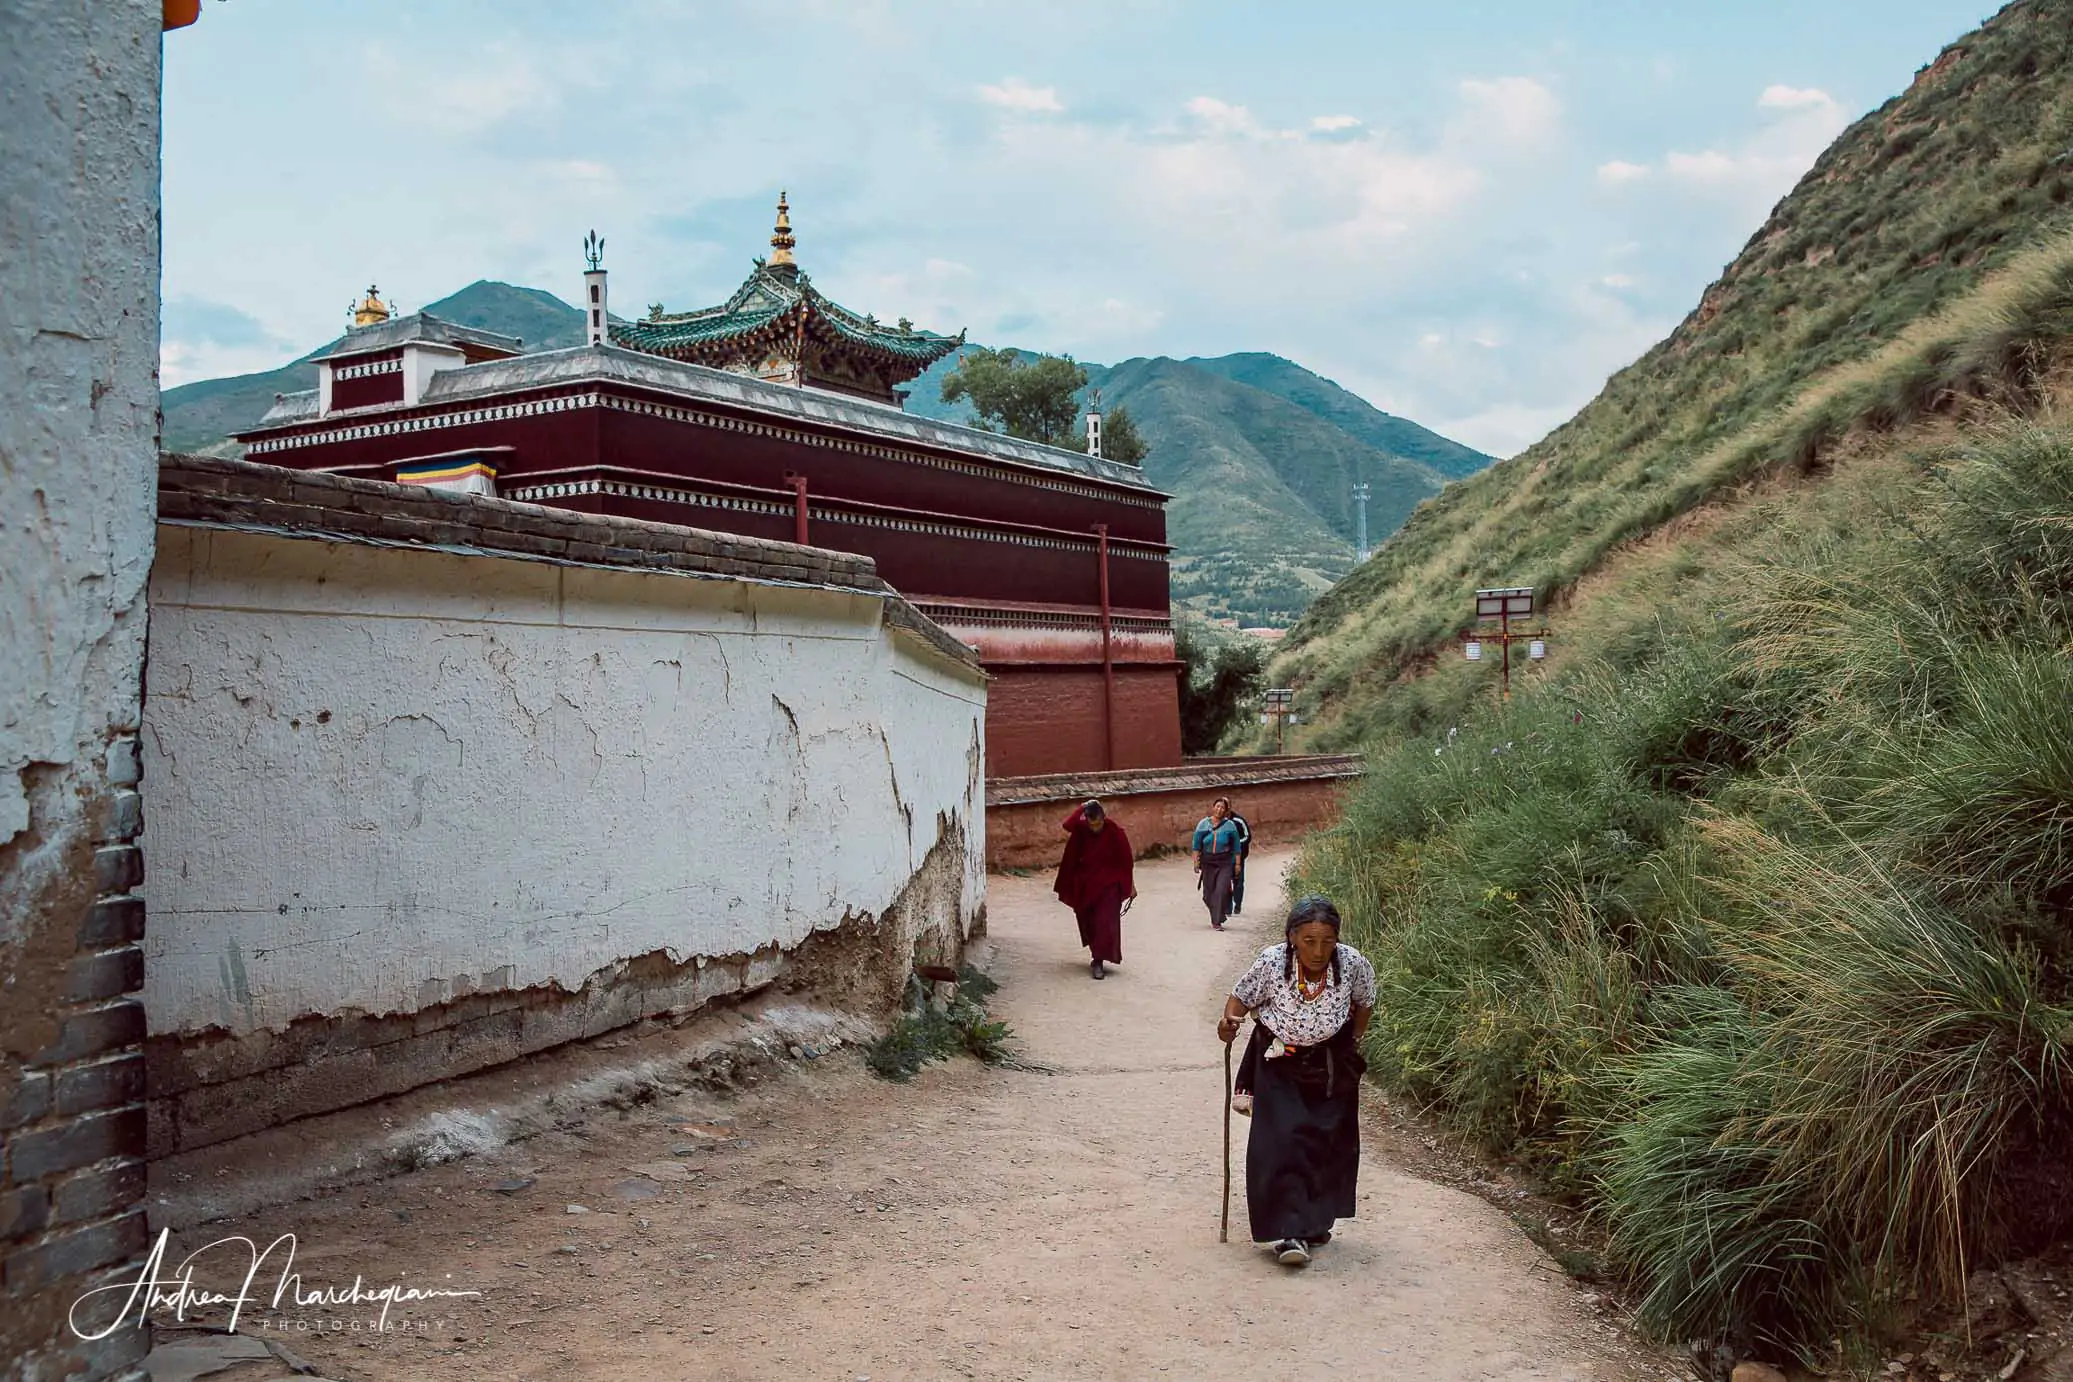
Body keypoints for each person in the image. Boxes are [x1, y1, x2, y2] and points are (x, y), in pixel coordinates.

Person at [1216, 896, 1376, 1266]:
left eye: (1327, 941)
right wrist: (1228, 1023)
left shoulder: (1352, 963)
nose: (1318, 951)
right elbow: (1239, 999)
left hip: (1330, 1065)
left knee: (1325, 1142)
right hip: (1277, 1063)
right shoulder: (1272, 962)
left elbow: (1365, 1002)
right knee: (1282, 1142)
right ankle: (1289, 1232)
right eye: (1309, 941)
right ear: (1292, 937)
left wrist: (1351, 1042)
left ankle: (1314, 1221)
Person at [1054, 799, 1135, 980]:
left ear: (1104, 819)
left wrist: (1131, 885)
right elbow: (1067, 825)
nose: (1095, 828)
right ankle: (1095, 952)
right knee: (1088, 921)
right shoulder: (1082, 829)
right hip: (1086, 883)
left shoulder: (1114, 831)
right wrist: (1083, 806)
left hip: (1109, 885)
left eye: (1098, 824)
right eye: (1092, 824)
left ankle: (1098, 960)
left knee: (1104, 922)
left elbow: (1126, 860)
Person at [1191, 796, 1244, 931]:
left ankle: (1216, 922)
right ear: (1213, 807)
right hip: (1208, 862)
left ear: (1226, 811)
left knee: (1221, 890)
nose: (1219, 810)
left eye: (1223, 808)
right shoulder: (1203, 824)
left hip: (1224, 862)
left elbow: (1237, 846)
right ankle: (1218, 914)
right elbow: (1196, 845)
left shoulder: (1230, 826)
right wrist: (1196, 862)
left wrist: (1237, 865)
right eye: (1217, 806)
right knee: (1208, 894)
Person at [1227, 804, 1253, 916]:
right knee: (1224, 882)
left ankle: (1237, 904)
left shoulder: (1238, 820)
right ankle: (1227, 907)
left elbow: (1247, 836)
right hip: (1223, 857)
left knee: (1238, 882)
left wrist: (1236, 844)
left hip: (1239, 856)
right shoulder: (1217, 822)